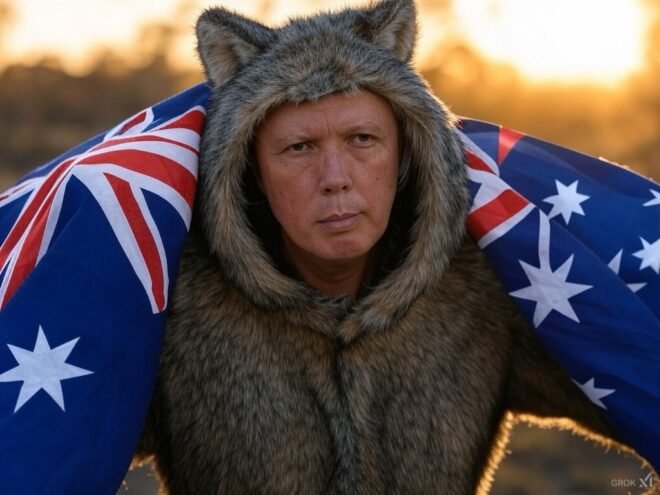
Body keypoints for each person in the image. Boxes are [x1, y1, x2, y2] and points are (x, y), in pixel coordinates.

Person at [134, 0, 650, 493]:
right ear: (253, 171)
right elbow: (57, 449)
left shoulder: (486, 287)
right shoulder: (167, 302)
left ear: (404, 152)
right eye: (299, 148)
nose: (335, 179)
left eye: (362, 140)